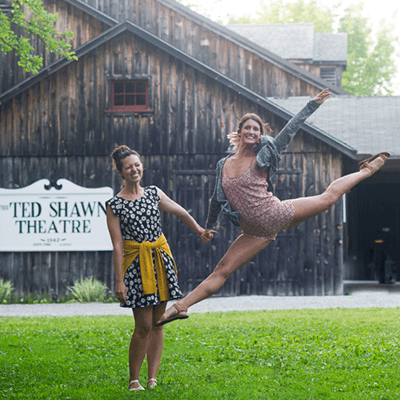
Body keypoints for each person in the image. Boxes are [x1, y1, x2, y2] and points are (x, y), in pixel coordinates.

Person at [156, 88, 390, 326]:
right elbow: (216, 200)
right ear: (239, 132)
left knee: (328, 197)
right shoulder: (223, 164)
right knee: (222, 270)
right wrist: (207, 228)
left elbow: (290, 130)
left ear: (259, 136)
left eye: (256, 129)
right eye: (247, 127)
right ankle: (179, 308)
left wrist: (312, 104)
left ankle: (366, 171)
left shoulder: (262, 157)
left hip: (275, 214)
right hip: (254, 232)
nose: (251, 131)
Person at [106, 145, 214, 391]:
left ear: (141, 166)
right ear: (121, 172)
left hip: (160, 261)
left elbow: (181, 211)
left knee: (158, 322)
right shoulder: (115, 204)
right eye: (128, 167)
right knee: (143, 325)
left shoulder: (154, 193)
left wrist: (199, 230)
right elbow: (117, 244)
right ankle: (134, 379)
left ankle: (152, 378)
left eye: (137, 164)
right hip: (136, 265)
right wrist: (119, 281)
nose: (134, 170)